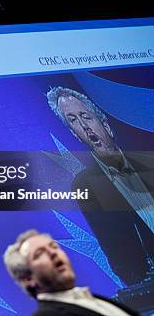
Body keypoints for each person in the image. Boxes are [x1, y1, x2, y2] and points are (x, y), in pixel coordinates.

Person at [46, 86, 154, 285]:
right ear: (75, 135)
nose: (84, 126)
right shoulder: (85, 186)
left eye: (85, 116)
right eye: (73, 120)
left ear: (106, 125)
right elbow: (116, 251)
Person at [4, 229, 138, 315]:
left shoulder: (96, 299)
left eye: (54, 247)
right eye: (39, 254)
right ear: (28, 279)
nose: (52, 253)